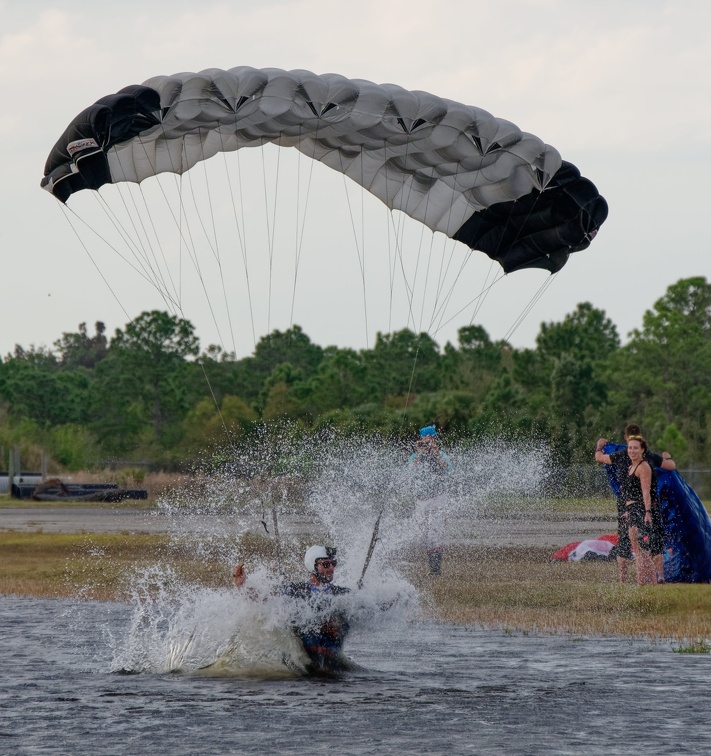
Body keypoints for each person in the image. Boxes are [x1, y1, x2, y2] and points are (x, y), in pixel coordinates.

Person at [233, 545, 352, 672]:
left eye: (333, 563)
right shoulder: (295, 591)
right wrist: (243, 585)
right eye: (326, 565)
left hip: (330, 651)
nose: (332, 568)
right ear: (313, 567)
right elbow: (264, 600)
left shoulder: (342, 594)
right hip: (305, 646)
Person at [595, 424, 675, 583]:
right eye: (631, 447)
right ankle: (659, 576)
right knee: (652, 540)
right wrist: (667, 457)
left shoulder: (621, 455)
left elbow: (599, 457)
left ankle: (625, 579)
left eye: (635, 447)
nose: (632, 450)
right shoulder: (649, 456)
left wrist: (599, 446)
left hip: (637, 505)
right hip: (644, 505)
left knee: (629, 542)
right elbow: (670, 466)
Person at [408, 425, 452, 575]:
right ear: (420, 440)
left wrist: (436, 453)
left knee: (435, 532)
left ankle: (435, 570)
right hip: (422, 499)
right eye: (424, 440)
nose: (427, 442)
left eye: (430, 439)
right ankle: (432, 562)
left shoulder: (442, 455)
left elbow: (447, 469)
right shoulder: (415, 457)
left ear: (434, 439)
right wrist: (420, 453)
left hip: (438, 497)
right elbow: (411, 472)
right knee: (422, 532)